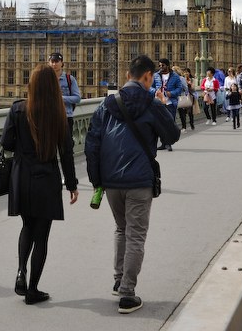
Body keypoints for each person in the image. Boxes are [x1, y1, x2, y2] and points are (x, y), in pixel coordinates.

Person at [85, 55, 177, 314]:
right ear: (148, 76)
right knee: (136, 234)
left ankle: (118, 280)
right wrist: (163, 105)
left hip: (111, 181)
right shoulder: (151, 102)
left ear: (128, 76)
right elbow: (172, 135)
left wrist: (96, 182)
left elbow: (92, 143)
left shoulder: (106, 104)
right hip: (139, 180)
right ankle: (127, 293)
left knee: (121, 229)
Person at [1, 64, 78, 305]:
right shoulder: (59, 114)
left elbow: (7, 143)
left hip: (21, 176)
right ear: (54, 88)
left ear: (31, 85)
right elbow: (66, 153)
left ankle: (20, 271)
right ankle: (33, 289)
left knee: (27, 227)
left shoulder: (17, 110)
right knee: (42, 236)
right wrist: (72, 185)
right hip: (47, 177)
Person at [150, 58, 185, 150]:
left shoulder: (175, 76)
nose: (161, 67)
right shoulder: (156, 75)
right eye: (160, 65)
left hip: (170, 103)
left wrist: (171, 93)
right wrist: (155, 91)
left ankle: (168, 143)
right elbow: (150, 87)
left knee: (169, 123)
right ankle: (163, 143)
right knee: (159, 124)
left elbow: (179, 88)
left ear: (167, 65)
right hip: (158, 102)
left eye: (163, 65)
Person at [48, 52, 81, 139]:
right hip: (49, 118)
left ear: (62, 63)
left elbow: (77, 98)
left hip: (66, 117)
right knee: (50, 149)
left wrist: (60, 98)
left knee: (66, 148)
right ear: (49, 63)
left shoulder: (69, 79)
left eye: (56, 61)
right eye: (52, 62)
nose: (54, 64)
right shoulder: (45, 79)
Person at [176, 66, 196, 130]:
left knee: (189, 112)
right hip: (177, 97)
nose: (186, 73)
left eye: (187, 72)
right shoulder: (173, 78)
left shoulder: (183, 79)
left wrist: (186, 95)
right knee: (181, 112)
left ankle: (191, 123)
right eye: (185, 72)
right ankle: (183, 126)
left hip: (185, 96)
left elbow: (186, 88)